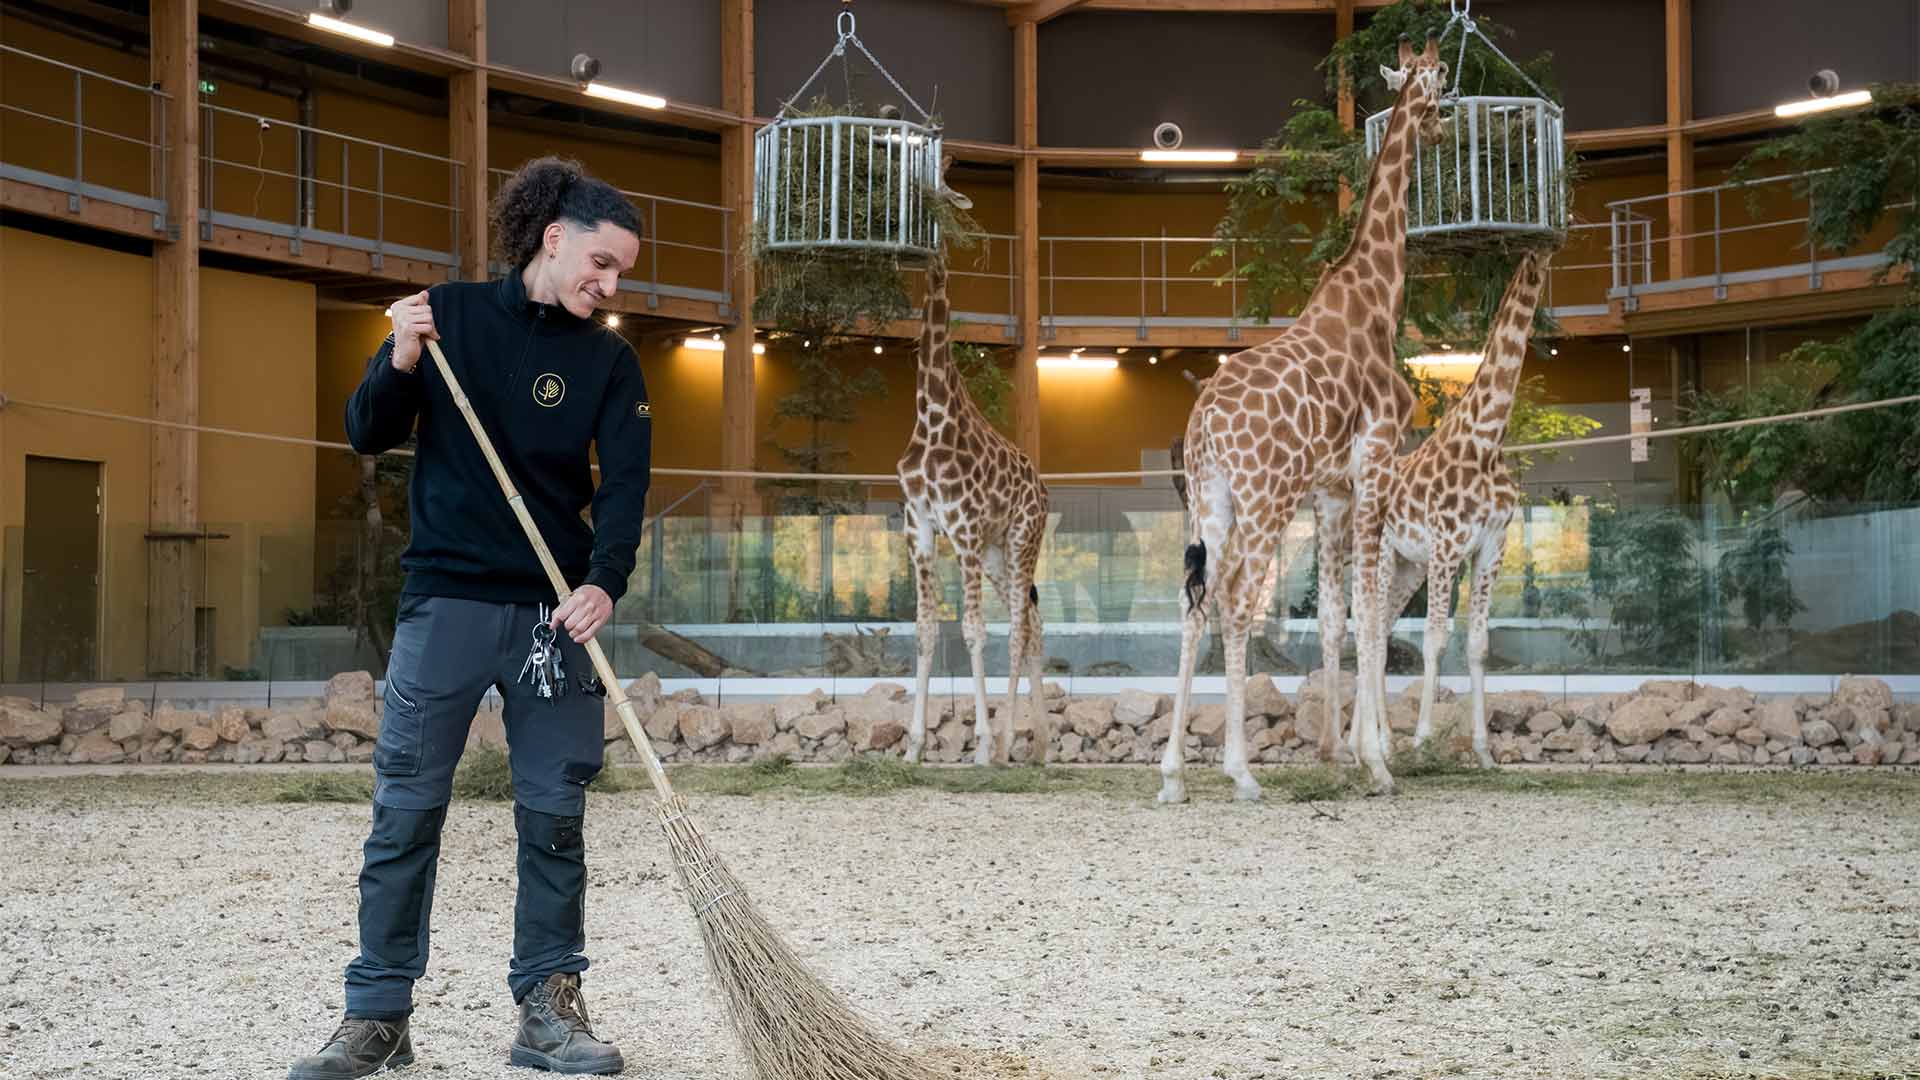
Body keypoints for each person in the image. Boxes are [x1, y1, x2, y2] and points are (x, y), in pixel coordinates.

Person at [290, 156, 651, 1079]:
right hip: (445, 601)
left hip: (552, 615)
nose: (610, 287)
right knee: (405, 811)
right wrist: (401, 356)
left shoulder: (609, 360)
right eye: (601, 264)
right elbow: (367, 431)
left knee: (555, 815)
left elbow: (625, 486)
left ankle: (548, 1010)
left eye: (620, 273)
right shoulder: (444, 319)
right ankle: (377, 1016)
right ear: (554, 237)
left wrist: (605, 581)